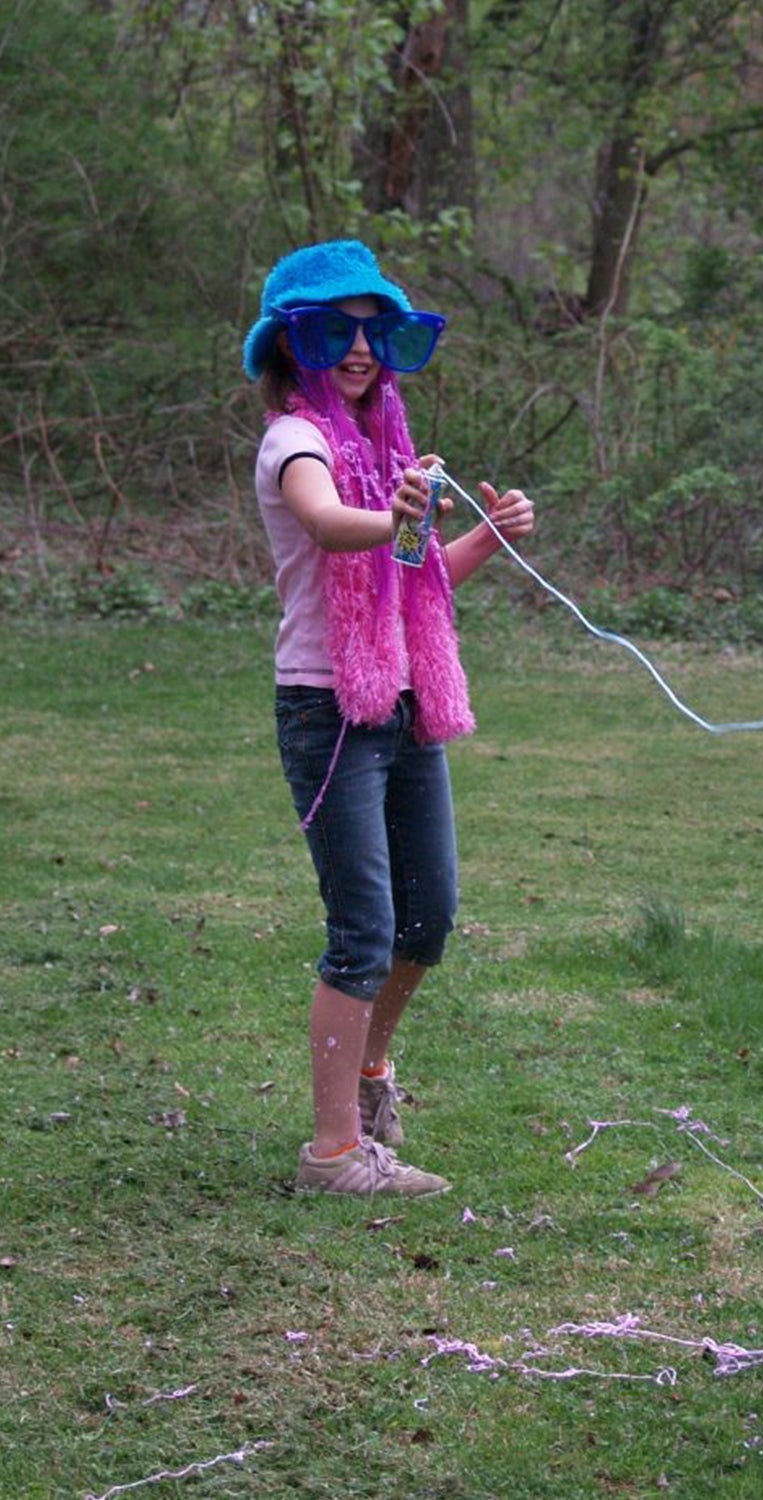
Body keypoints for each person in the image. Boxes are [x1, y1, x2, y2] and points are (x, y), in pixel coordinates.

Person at [244, 238, 536, 1197]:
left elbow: (417, 576)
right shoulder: (299, 442)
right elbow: (331, 525)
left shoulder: (389, 451)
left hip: (407, 701)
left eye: (375, 332)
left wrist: (482, 535)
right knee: (363, 927)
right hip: (328, 709)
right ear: (293, 344)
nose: (359, 349)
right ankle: (332, 1154)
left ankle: (371, 1069)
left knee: (430, 916)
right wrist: (404, 514)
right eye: (335, 331)